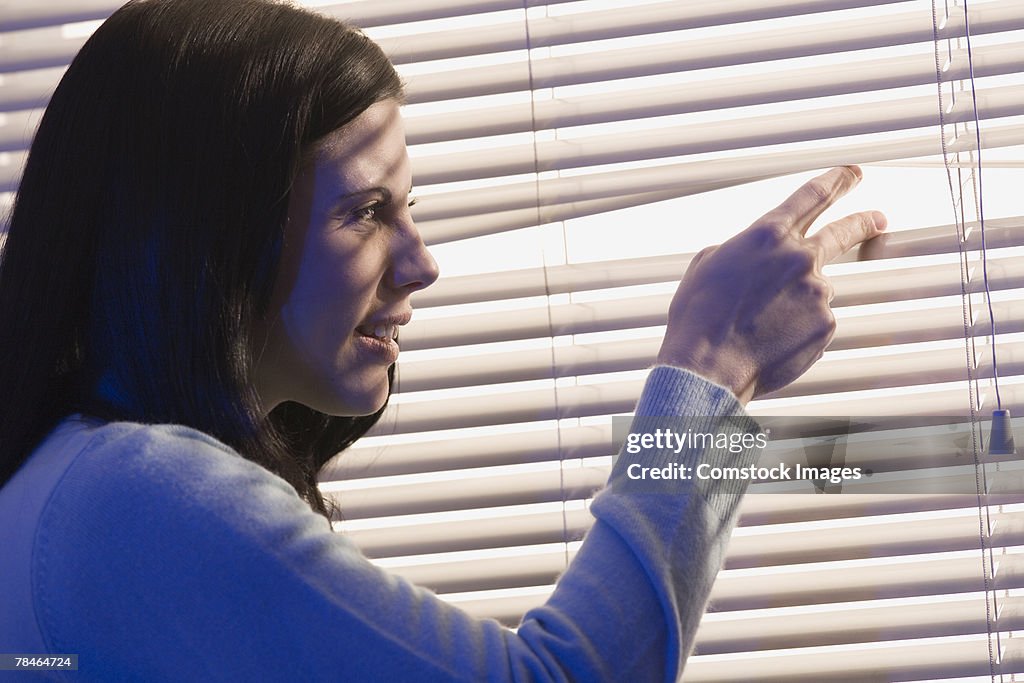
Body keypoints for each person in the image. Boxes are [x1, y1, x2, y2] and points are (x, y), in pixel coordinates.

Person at [0, 0, 887, 680]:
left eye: (409, 209)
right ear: (207, 237)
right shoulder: (133, 497)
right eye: (367, 211)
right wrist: (712, 363)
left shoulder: (75, 488)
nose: (421, 264)